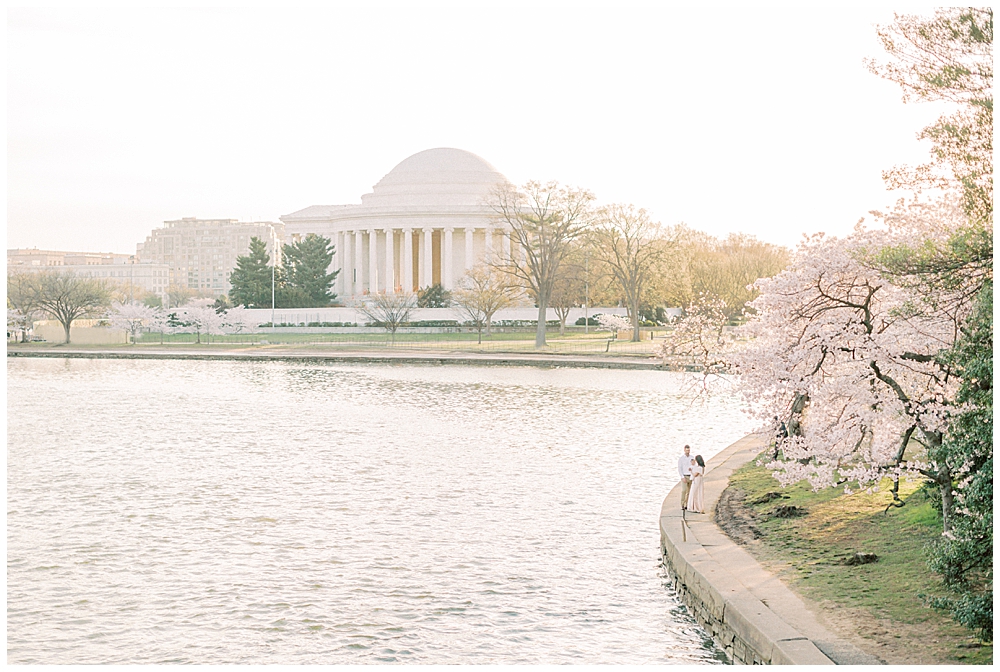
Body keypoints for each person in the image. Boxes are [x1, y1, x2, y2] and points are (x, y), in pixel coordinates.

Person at [677, 445, 693, 510]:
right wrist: (682, 476)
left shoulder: (692, 457)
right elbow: (680, 468)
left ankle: (687, 504)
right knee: (684, 490)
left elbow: (694, 465)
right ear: (684, 450)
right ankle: (682, 504)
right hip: (685, 476)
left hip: (691, 476)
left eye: (688, 450)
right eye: (686, 450)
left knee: (689, 491)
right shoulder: (681, 459)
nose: (687, 451)